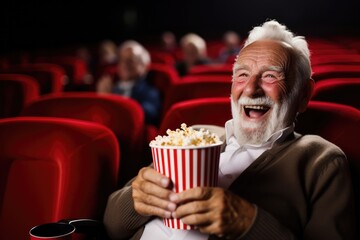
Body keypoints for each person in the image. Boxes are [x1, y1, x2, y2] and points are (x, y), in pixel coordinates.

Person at [103, 20, 357, 239]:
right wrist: (135, 202)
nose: (250, 89)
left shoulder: (321, 161)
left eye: (270, 76)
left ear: (303, 94)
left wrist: (247, 224)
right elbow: (112, 225)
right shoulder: (194, 134)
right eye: (242, 75)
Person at [96, 40, 161, 125]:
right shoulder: (112, 87)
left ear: (144, 66)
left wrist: (109, 100)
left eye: (131, 60)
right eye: (122, 60)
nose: (125, 64)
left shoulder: (150, 91)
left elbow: (149, 114)